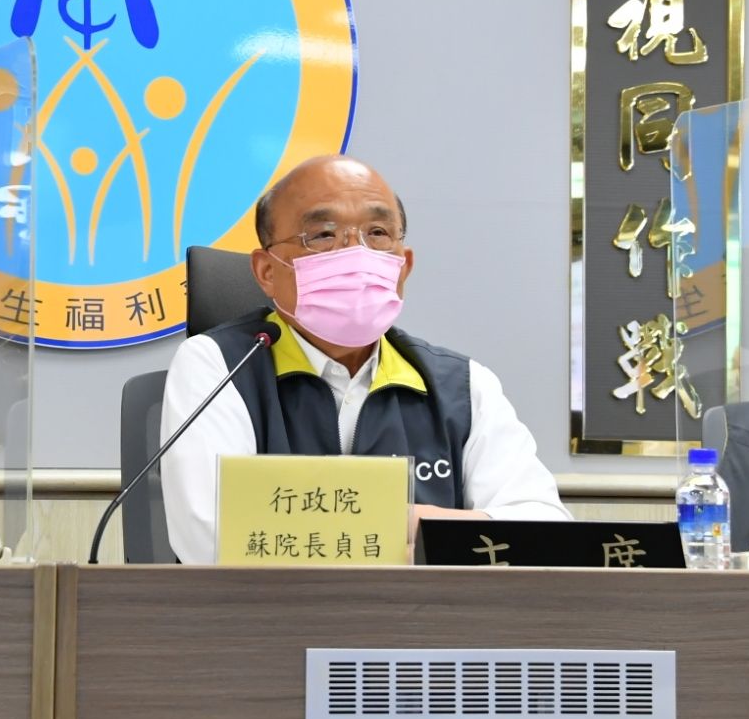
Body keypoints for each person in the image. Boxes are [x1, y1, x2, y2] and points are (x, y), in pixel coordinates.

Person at [159, 155, 568, 564]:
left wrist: (375, 527)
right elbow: (212, 538)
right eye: (323, 235)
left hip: (427, 608)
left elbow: (544, 531)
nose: (355, 252)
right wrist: (412, 528)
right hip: (269, 608)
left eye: (377, 233)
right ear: (267, 271)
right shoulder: (219, 367)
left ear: (403, 267)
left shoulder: (462, 386)